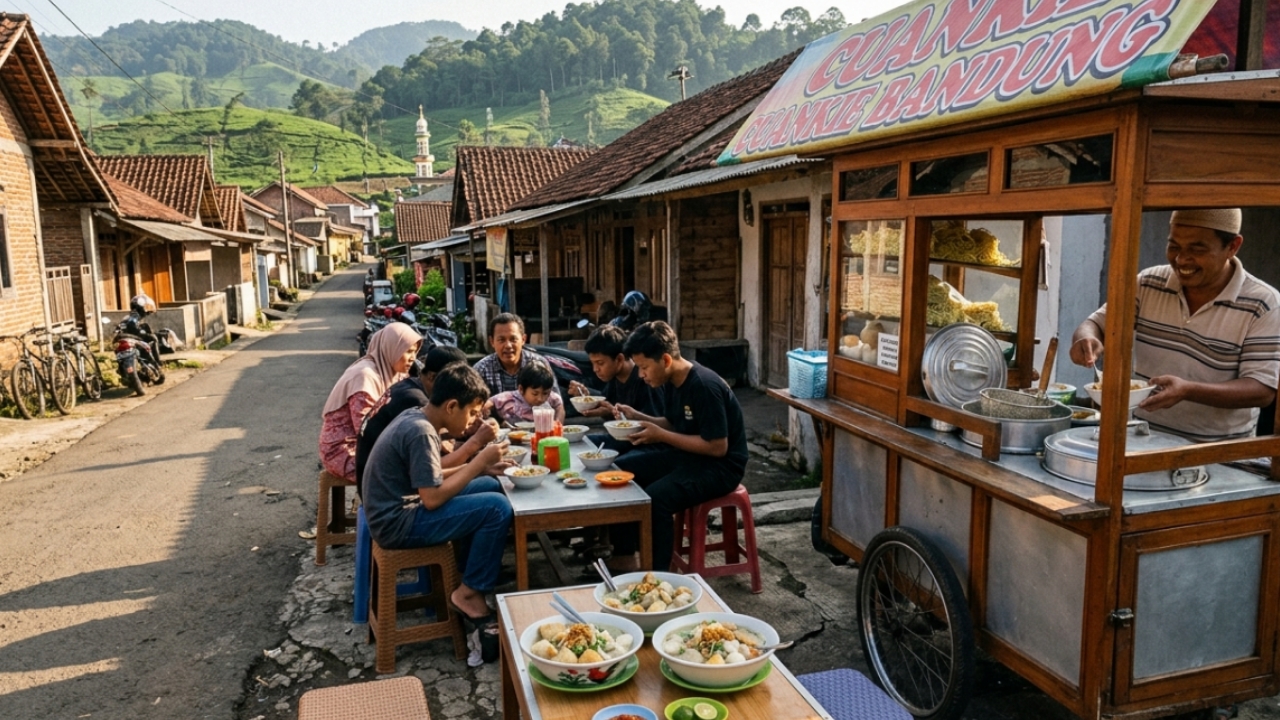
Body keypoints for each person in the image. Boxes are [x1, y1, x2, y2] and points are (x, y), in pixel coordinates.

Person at [1069, 208, 1280, 442]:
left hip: (1216, 453)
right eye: (1174, 247)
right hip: (1142, 440)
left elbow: (1261, 390)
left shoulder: (1264, 304)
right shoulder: (1148, 283)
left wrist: (1188, 390)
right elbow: (1096, 324)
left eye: (1197, 249)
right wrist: (1085, 338)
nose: (1181, 260)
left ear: (1232, 247)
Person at [362, 363, 514, 663]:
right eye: (471, 413)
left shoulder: (417, 417)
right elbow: (431, 498)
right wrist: (477, 458)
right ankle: (469, 592)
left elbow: (431, 471)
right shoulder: (420, 431)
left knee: (488, 483)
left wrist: (481, 467)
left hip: (401, 509)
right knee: (497, 508)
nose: (473, 421)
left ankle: (468, 574)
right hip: (397, 523)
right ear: (452, 406)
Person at [606, 321, 749, 571]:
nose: (641, 375)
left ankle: (658, 574)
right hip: (690, 455)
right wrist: (640, 417)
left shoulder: (704, 386)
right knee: (621, 471)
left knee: (657, 498)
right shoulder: (671, 381)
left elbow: (717, 447)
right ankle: (626, 553)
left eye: (644, 367)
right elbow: (674, 423)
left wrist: (660, 435)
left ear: (666, 360)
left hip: (721, 467)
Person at [355, 346, 493, 496]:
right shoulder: (415, 403)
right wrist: (476, 446)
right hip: (389, 496)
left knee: (489, 483)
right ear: (433, 378)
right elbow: (433, 474)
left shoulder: (415, 393)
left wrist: (478, 461)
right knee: (497, 505)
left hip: (393, 483)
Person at [318, 323, 421, 482]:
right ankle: (381, 507)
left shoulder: (394, 373)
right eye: (408, 351)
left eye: (415, 352)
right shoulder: (364, 376)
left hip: (370, 446)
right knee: (409, 472)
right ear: (391, 348)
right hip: (345, 451)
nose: (413, 358)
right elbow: (367, 429)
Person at [568, 324, 664, 452]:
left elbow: (654, 427)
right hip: (623, 440)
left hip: (647, 446)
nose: (595, 369)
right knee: (580, 443)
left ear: (619, 359)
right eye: (593, 363)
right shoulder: (614, 379)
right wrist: (601, 408)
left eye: (600, 363)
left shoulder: (646, 380)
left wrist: (614, 413)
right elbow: (613, 415)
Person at [473, 313, 562, 399]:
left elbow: (556, 402)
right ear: (492, 341)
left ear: (523, 339)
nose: (508, 345)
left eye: (513, 339)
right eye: (501, 340)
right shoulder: (481, 370)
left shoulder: (539, 364)